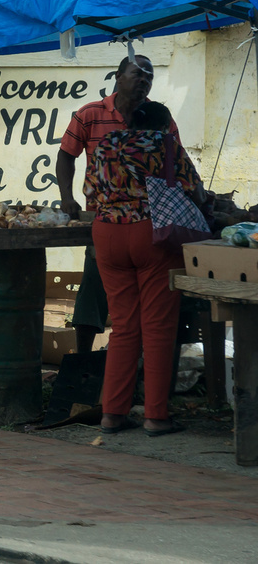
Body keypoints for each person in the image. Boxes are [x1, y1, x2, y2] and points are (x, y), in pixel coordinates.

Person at [86, 100, 207, 436]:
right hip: (151, 234)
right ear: (165, 125)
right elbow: (194, 192)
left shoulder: (106, 144)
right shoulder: (166, 146)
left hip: (107, 234)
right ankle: (155, 415)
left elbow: (91, 192)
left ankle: (112, 413)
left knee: (124, 327)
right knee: (157, 327)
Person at [56, 54, 168, 353]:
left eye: (149, 76)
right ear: (118, 77)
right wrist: (67, 197)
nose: (144, 80)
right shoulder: (90, 114)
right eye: (137, 73)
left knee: (137, 304)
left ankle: (133, 361)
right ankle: (84, 359)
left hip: (147, 223)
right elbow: (66, 154)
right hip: (104, 221)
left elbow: (174, 161)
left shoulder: (157, 118)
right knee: (94, 287)